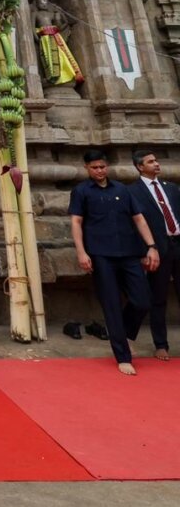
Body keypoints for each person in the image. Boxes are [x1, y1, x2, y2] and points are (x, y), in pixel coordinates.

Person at [69, 148, 159, 375]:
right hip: (100, 255)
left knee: (143, 300)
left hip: (129, 252)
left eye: (102, 167)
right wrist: (81, 252)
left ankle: (126, 332)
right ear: (86, 169)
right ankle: (123, 356)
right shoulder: (81, 191)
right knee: (111, 305)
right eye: (94, 168)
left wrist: (151, 246)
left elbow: (138, 219)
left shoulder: (122, 189)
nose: (99, 171)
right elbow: (76, 222)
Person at [129, 149, 180, 360]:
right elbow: (134, 225)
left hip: (178, 244)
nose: (156, 164)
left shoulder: (172, 188)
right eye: (151, 162)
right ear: (140, 167)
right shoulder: (132, 192)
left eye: (156, 160)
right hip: (157, 249)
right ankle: (161, 344)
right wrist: (146, 250)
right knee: (158, 298)